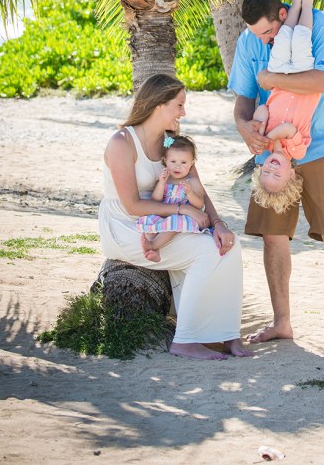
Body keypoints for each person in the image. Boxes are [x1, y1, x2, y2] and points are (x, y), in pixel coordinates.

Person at [228, 0, 324, 353]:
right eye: (260, 35)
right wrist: (245, 129)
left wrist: (273, 78)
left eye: (270, 31)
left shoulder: (320, 27)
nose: (266, 40)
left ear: (282, 15)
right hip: (273, 154)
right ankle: (282, 323)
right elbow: (244, 97)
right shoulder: (249, 40)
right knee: (273, 235)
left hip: (321, 147)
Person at [99, 73, 252, 360]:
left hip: (168, 223)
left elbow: (198, 189)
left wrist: (218, 224)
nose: (184, 112)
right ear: (158, 105)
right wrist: (184, 210)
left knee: (229, 246)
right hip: (128, 228)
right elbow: (132, 205)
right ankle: (185, 340)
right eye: (179, 105)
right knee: (206, 252)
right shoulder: (122, 142)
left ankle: (227, 335)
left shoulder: (170, 143)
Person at [251, 0, 319, 207]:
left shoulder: (265, 143)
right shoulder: (298, 151)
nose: (271, 168)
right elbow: (288, 129)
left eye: (265, 172)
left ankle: (295, 4)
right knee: (300, 38)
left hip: (279, 76)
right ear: (291, 174)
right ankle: (306, 5)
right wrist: (268, 137)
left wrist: (258, 123)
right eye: (276, 175)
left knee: (282, 39)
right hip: (302, 76)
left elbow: (263, 107)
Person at [137, 133, 206, 263]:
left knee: (174, 223)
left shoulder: (193, 181)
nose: (177, 166)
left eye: (183, 162)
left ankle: (152, 245)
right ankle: (155, 251)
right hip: (164, 213)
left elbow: (199, 204)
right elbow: (155, 200)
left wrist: (190, 193)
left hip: (184, 216)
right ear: (165, 160)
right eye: (173, 161)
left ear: (191, 163)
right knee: (149, 219)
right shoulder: (165, 180)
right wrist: (162, 183)